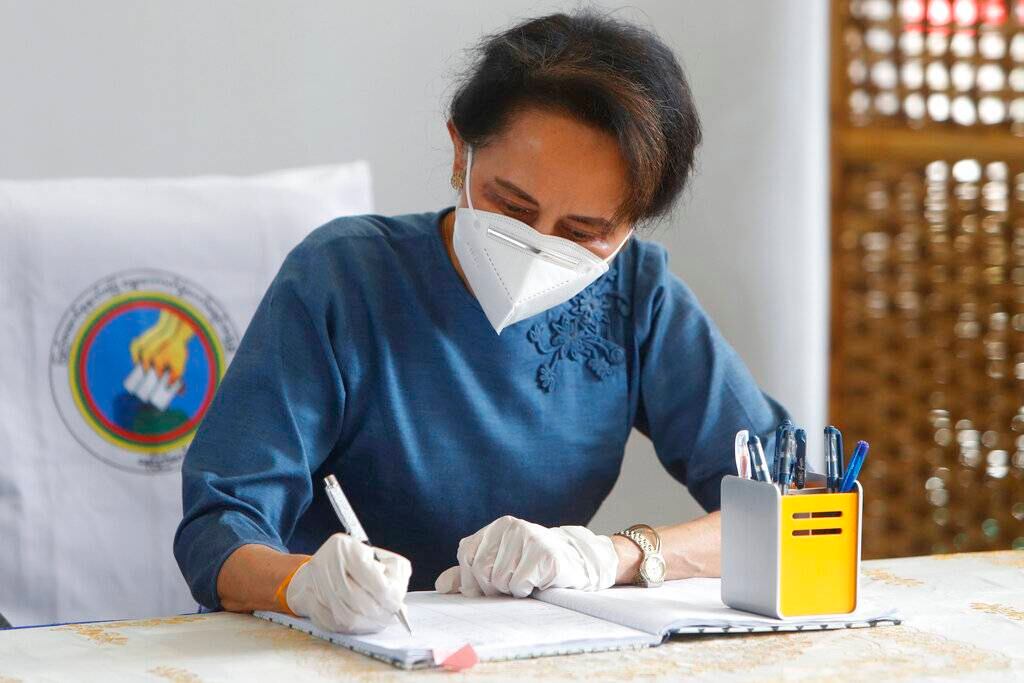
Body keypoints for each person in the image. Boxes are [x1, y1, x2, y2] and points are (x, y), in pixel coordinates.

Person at [173, 9, 788, 635]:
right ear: (459, 152)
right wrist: (298, 584)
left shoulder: (636, 298)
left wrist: (613, 556)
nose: (537, 245)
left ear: (633, 225)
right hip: (333, 647)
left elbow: (795, 514)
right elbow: (217, 530)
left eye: (584, 232)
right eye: (510, 205)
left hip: (525, 653)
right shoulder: (343, 279)